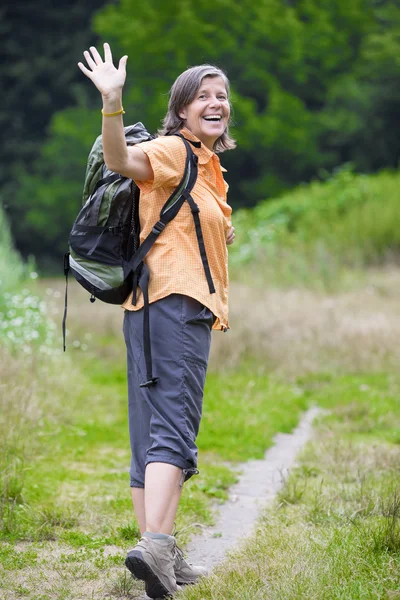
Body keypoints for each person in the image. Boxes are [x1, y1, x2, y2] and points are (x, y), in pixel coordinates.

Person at [78, 43, 236, 598]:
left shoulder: (207, 169)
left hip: (149, 308)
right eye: (203, 96)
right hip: (177, 306)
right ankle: (157, 546)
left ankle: (163, 549)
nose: (216, 103)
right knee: (174, 429)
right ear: (182, 109)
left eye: (222, 96)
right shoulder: (174, 151)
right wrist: (112, 104)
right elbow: (122, 161)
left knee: (149, 433)